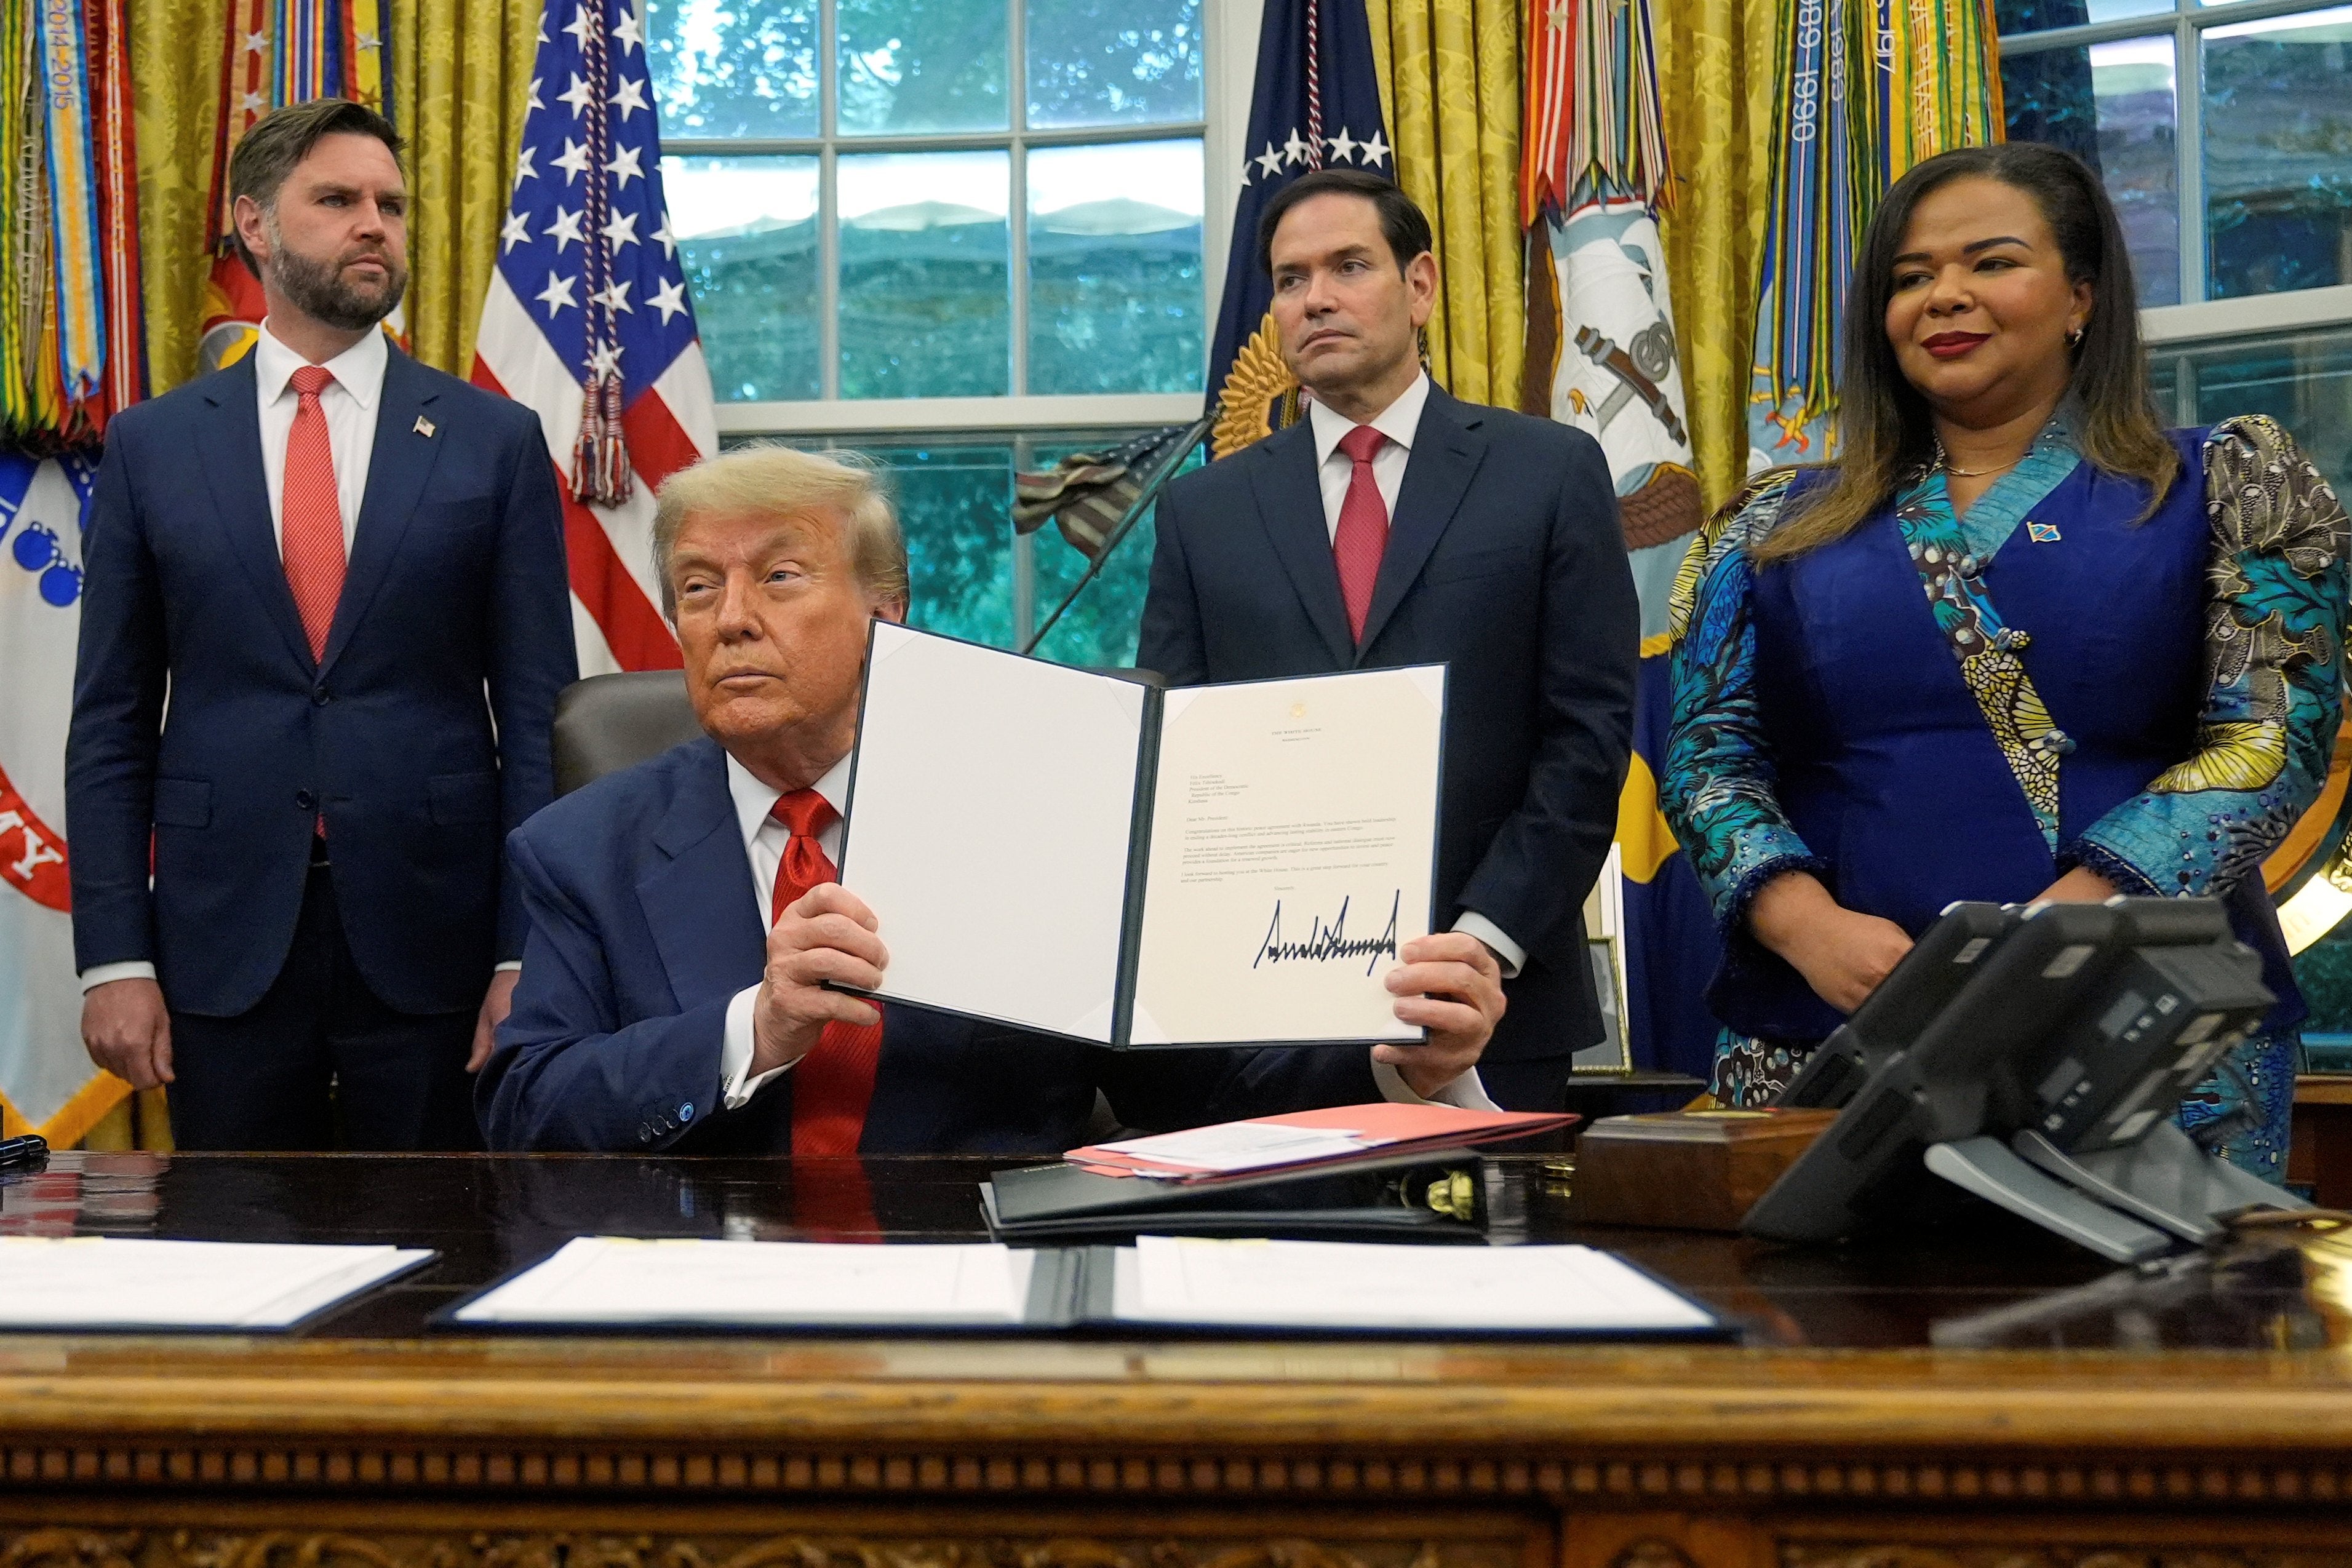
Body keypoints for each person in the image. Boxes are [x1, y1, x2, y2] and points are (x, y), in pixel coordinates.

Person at [476, 444, 1507, 1153]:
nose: (732, 619)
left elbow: (1195, 1090)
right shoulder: (582, 846)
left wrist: (1404, 1056)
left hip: (987, 1291)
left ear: (889, 610)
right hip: (700, 1303)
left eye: (781, 576)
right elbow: (524, 1109)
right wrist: (757, 1027)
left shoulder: (1039, 806)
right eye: (698, 588)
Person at [1660, 142, 2350, 1177]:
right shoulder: (1766, 528)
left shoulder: (2230, 483)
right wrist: (1803, 925)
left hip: (2145, 1035)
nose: (1944, 296)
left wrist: (2060, 933)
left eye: (1990, 263)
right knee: (1830, 1334)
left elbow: (2270, 741)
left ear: (2081, 295)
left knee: (2164, 1335)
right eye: (1910, 277)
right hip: (1823, 1032)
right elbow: (1708, 758)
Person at [68, 98, 575, 1150]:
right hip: (220, 942)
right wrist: (115, 958)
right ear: (255, 224)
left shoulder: (494, 440)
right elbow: (112, 722)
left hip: (436, 942)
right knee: (233, 1270)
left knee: (441, 1269)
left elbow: (538, 720)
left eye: (390, 203)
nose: (374, 224)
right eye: (337, 199)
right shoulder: (152, 447)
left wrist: (526, 955)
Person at [1139, 169, 1640, 1112]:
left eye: (1348, 266)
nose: (1315, 297)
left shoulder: (1549, 472)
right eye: (1291, 280)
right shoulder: (1202, 510)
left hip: (1498, 1003)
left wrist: (1481, 947)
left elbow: (1587, 740)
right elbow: (1180, 753)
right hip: (1259, 1022)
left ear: (1420, 287)